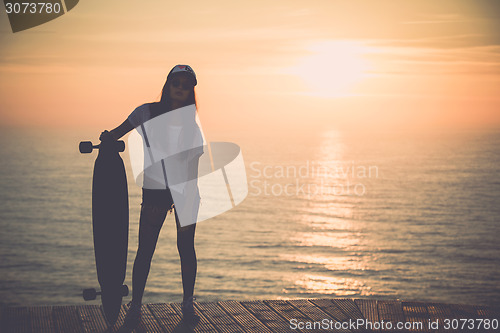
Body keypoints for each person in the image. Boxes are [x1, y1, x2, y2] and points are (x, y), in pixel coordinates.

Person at [100, 65, 201, 329]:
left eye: (186, 84)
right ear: (167, 85)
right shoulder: (146, 112)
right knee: (145, 250)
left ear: (191, 90)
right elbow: (118, 131)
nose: (180, 87)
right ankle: (135, 309)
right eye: (176, 82)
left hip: (185, 191)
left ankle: (188, 305)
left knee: (186, 249)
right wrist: (107, 138)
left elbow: (193, 168)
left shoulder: (192, 124)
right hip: (155, 191)